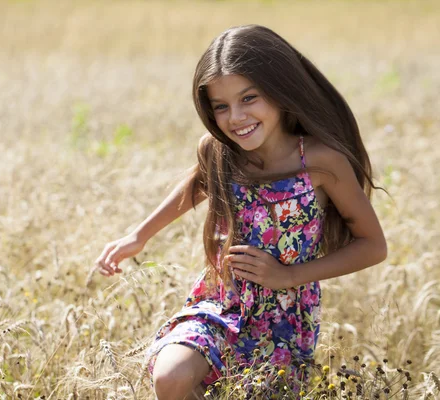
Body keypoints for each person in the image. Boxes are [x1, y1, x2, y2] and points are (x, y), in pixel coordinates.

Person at [94, 24, 387, 400]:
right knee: (171, 377)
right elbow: (196, 185)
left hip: (285, 315)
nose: (235, 117)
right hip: (221, 299)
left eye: (249, 98)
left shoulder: (320, 160)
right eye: (221, 106)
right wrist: (139, 236)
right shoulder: (219, 150)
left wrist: (288, 275)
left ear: (281, 92)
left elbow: (373, 245)